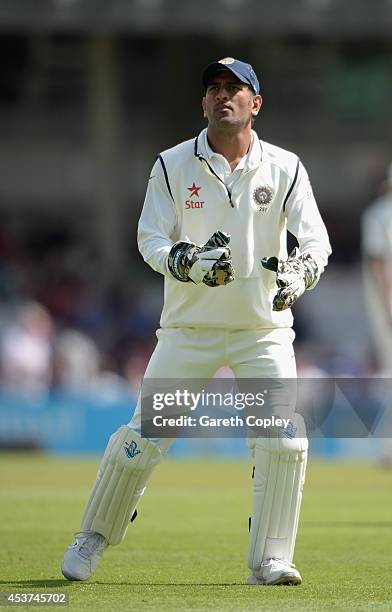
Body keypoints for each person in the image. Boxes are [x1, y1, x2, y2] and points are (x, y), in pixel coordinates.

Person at [61, 57, 331, 586]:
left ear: (256, 104)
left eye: (234, 89)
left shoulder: (285, 166)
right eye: (213, 88)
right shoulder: (171, 164)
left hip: (262, 331)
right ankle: (92, 536)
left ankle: (271, 559)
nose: (222, 96)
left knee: (281, 440)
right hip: (189, 332)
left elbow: (316, 240)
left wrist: (301, 275)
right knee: (141, 440)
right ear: (203, 102)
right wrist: (183, 260)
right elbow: (149, 238)